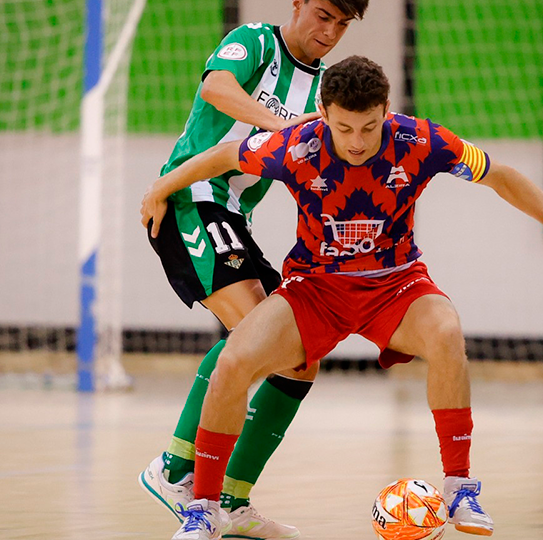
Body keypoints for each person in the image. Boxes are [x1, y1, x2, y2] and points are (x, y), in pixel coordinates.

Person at [140, 55, 543, 540]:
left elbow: (502, 176)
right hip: (316, 288)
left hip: (396, 285)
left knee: (447, 331)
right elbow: (222, 156)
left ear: (387, 109)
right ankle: (203, 511)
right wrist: (162, 186)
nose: (358, 142)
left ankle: (460, 488)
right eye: (345, 128)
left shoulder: (421, 140)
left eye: (369, 126)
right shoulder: (295, 144)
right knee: (235, 360)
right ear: (323, 113)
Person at [138, 2, 368, 539]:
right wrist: (285, 126)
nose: (328, 31)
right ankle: (174, 470)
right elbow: (216, 88)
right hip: (193, 199)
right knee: (254, 333)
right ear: (297, 4)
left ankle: (232, 501)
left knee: (300, 361)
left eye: (341, 23)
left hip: (237, 217)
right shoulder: (256, 43)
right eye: (322, 14)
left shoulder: (326, 92)